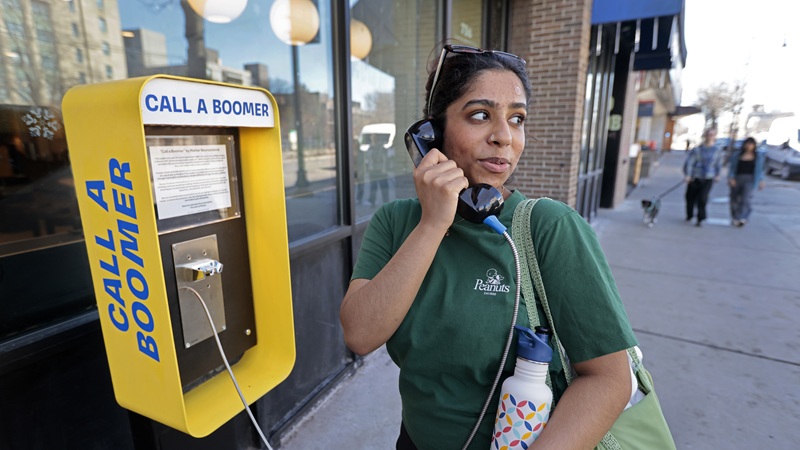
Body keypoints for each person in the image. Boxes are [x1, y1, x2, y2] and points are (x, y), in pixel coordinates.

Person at [340, 44, 637, 449]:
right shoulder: (396, 222)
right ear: (433, 133)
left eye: (517, 119)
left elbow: (609, 378)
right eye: (481, 115)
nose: (504, 137)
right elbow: (360, 334)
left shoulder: (548, 228)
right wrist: (433, 223)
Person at [683, 128, 724, 226]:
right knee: (690, 197)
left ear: (715, 137)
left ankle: (700, 218)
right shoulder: (697, 150)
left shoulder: (717, 150)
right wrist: (688, 175)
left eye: (712, 135)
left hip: (708, 177)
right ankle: (690, 214)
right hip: (695, 177)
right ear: (705, 136)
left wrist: (718, 175)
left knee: (702, 198)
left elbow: (718, 164)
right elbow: (690, 163)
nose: (710, 137)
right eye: (708, 134)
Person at [728, 137, 766, 227]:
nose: (749, 146)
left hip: (750, 179)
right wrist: (731, 177)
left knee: (746, 199)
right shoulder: (737, 155)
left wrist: (761, 181)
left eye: (751, 144)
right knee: (735, 199)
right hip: (737, 178)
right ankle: (735, 217)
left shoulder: (758, 157)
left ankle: (743, 217)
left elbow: (760, 170)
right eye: (747, 144)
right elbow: (732, 167)